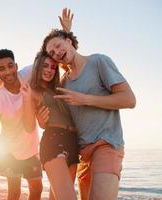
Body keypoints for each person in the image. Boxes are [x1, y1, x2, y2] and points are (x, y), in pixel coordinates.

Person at [40, 28, 136, 199]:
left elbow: (129, 99)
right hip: (81, 154)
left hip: (106, 145)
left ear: (69, 40)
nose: (56, 53)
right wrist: (41, 122)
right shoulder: (63, 83)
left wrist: (86, 99)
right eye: (52, 53)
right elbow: (63, 119)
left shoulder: (99, 62)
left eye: (58, 46)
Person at [0, 49, 43, 200]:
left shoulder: (27, 74)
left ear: (16, 66)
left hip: (31, 148)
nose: (7, 71)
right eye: (1, 69)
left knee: (37, 188)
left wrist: (66, 31)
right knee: (14, 192)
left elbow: (45, 56)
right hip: (9, 150)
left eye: (10, 66)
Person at [29, 52, 79, 200]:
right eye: (45, 66)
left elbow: (71, 64)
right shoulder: (34, 91)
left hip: (72, 142)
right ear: (37, 67)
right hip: (54, 141)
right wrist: (40, 121)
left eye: (53, 67)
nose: (49, 70)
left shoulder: (59, 88)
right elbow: (31, 119)